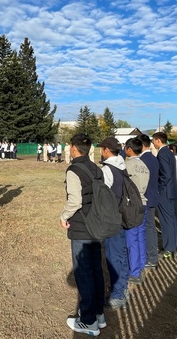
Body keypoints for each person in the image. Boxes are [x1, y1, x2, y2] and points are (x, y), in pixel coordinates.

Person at [62, 134, 106, 336]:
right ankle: (99, 314)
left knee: (84, 273)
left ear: (74, 148)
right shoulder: (97, 169)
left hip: (82, 226)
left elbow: (75, 201)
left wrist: (63, 216)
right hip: (97, 224)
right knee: (96, 269)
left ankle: (88, 321)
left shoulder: (74, 170)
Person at [98, 136, 130, 310]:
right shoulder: (122, 163)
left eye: (102, 148)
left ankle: (117, 294)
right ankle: (123, 287)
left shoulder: (107, 170)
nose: (100, 151)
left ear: (107, 150)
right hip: (123, 215)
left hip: (112, 218)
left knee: (113, 256)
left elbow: (104, 196)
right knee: (121, 254)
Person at [124, 137, 149, 285]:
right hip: (143, 203)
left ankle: (134, 272)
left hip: (133, 204)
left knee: (131, 238)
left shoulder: (128, 165)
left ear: (129, 149)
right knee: (140, 235)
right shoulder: (144, 165)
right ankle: (141, 264)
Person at [152, 132, 177, 259]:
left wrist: (159, 188)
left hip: (165, 191)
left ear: (158, 140)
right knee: (171, 219)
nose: (153, 143)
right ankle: (174, 244)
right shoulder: (169, 152)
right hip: (171, 190)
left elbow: (166, 174)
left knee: (166, 220)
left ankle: (169, 248)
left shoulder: (162, 153)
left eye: (153, 140)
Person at [138, 134, 160, 269]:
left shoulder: (143, 160)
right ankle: (152, 256)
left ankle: (151, 257)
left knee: (147, 228)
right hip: (152, 196)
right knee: (150, 227)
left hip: (146, 197)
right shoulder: (153, 158)